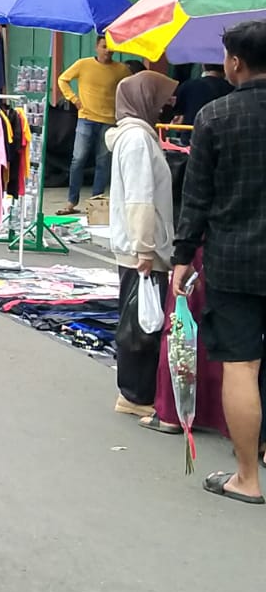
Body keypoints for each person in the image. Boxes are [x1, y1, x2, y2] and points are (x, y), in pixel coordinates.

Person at [171, 20, 266, 504]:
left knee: (242, 365)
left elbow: (197, 195)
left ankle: (246, 478)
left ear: (235, 62)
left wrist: (183, 256)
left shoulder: (216, 116)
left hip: (236, 258)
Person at [106, 70, 179, 419]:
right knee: (140, 323)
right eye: (161, 97)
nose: (166, 104)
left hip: (141, 245)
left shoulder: (137, 137)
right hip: (142, 248)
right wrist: (145, 248)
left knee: (141, 318)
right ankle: (134, 394)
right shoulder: (137, 141)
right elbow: (139, 197)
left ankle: (137, 391)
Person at [56, 37, 132, 214]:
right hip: (86, 117)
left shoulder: (121, 70)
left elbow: (130, 87)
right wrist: (74, 100)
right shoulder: (84, 64)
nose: (108, 51)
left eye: (111, 48)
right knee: (78, 159)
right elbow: (62, 79)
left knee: (103, 162)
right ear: (96, 47)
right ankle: (71, 201)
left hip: (109, 121)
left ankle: (96, 203)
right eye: (104, 47)